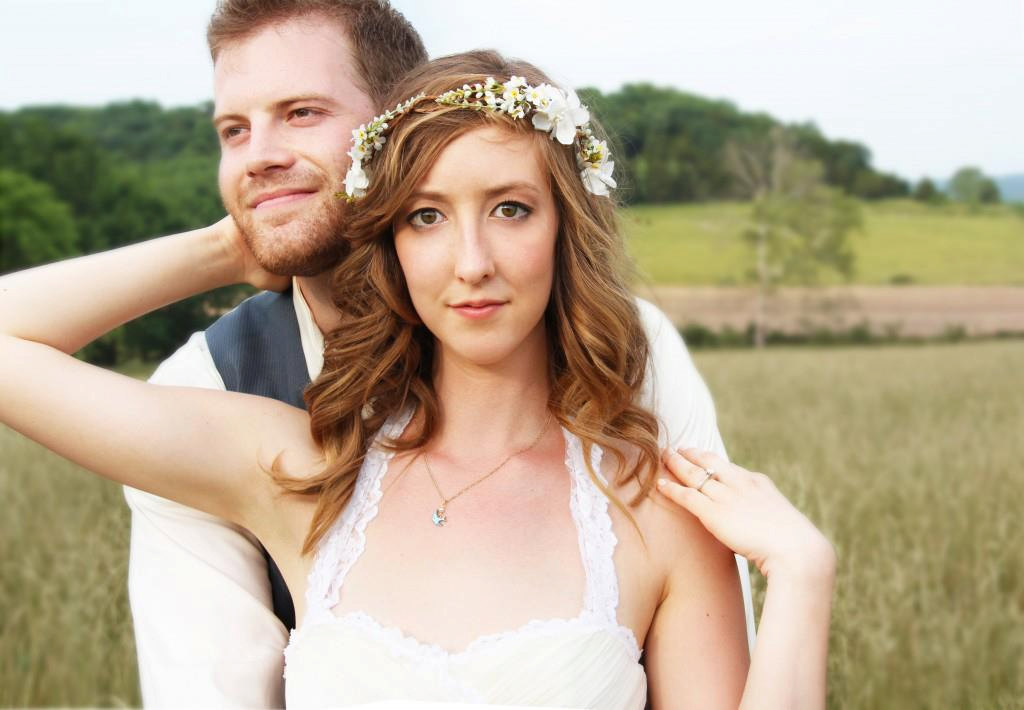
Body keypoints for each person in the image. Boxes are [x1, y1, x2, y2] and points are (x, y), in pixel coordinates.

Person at [0, 44, 835, 708]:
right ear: (391, 245)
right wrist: (231, 245)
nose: (471, 263)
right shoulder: (297, 470)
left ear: (562, 230)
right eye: (426, 217)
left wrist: (803, 572)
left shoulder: (656, 511)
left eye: (510, 208)